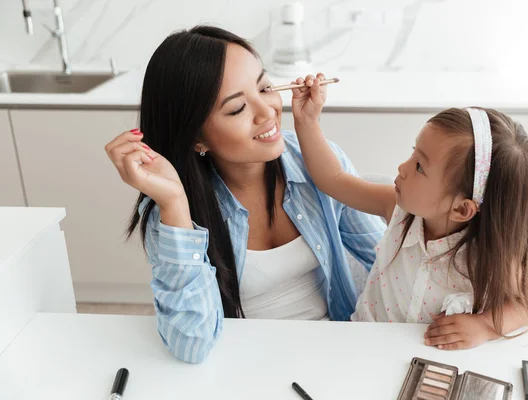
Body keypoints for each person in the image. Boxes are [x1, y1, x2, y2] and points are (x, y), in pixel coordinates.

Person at [104, 26, 385, 363]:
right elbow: (191, 344)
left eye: (265, 87)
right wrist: (175, 204)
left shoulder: (317, 162)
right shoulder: (171, 208)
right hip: (242, 363)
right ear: (197, 138)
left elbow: (387, 259)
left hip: (335, 346)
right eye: (237, 109)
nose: (267, 111)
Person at [290, 74, 528, 350]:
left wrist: (485, 326)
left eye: (420, 166)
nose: (402, 168)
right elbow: (333, 179)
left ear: (462, 208)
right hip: (362, 347)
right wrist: (307, 120)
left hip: (427, 362)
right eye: (413, 153)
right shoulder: (397, 209)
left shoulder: (486, 253)